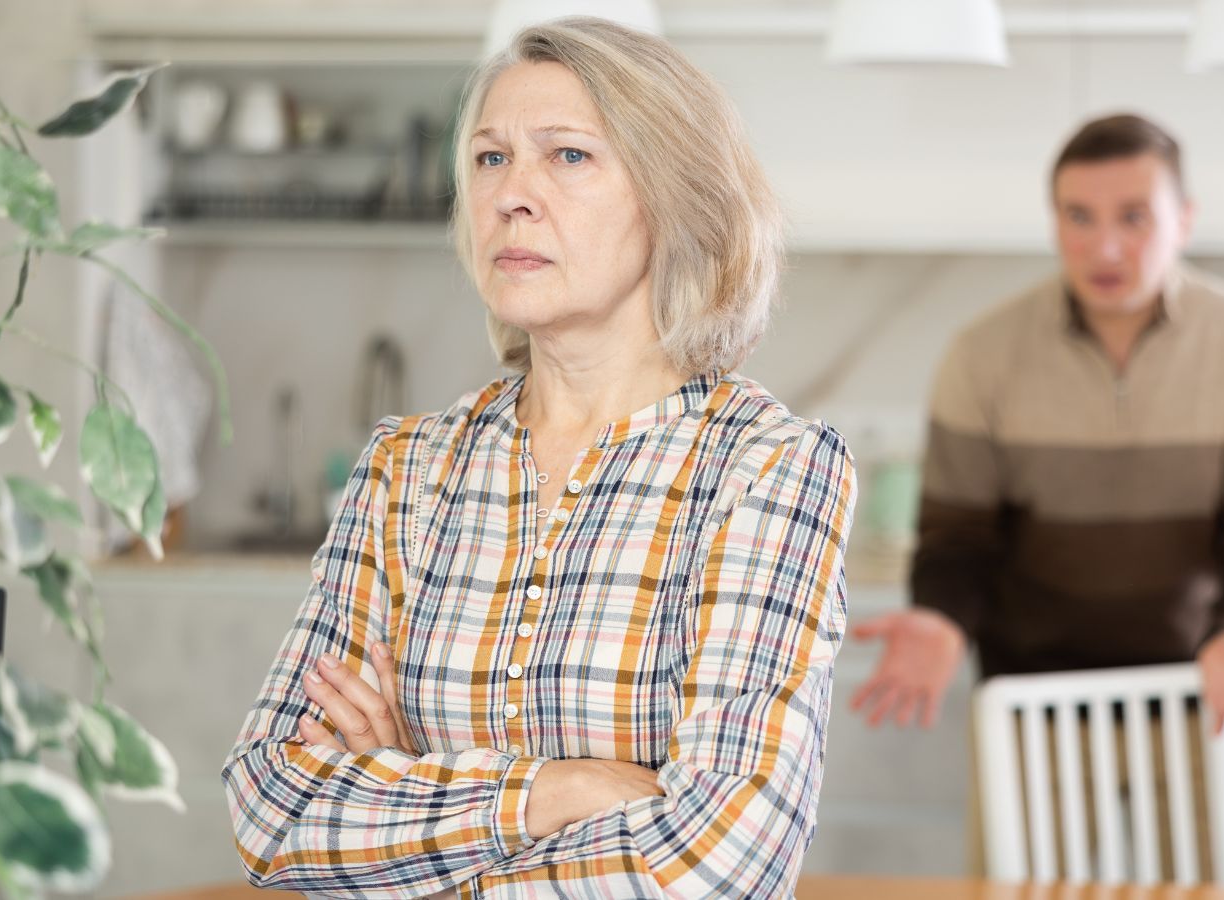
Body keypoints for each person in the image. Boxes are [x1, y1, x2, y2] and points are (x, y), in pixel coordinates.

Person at [221, 18, 856, 898]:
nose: (512, 194)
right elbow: (274, 810)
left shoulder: (767, 468)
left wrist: (405, 809)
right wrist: (555, 791)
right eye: (489, 159)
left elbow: (723, 862)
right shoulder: (406, 468)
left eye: (567, 156)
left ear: (675, 197)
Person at [850, 113, 1224, 880]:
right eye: (1079, 217)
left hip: (1203, 698)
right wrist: (941, 618)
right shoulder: (983, 355)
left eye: (1134, 218)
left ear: (1185, 220)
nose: (1105, 247)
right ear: (1054, 220)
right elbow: (958, 538)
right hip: (1033, 708)